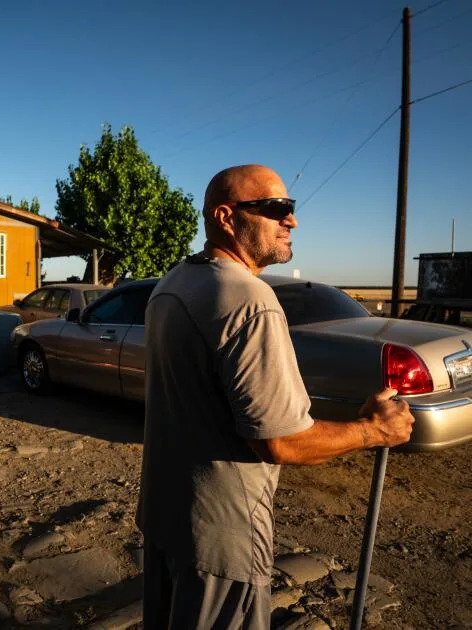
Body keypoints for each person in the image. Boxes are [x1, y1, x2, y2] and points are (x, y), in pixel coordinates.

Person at [136, 164, 414, 629]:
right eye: (275, 208)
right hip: (222, 539)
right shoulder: (249, 300)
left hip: (166, 518)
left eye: (291, 207)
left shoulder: (174, 282)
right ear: (226, 217)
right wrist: (374, 430)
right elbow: (281, 441)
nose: (292, 220)